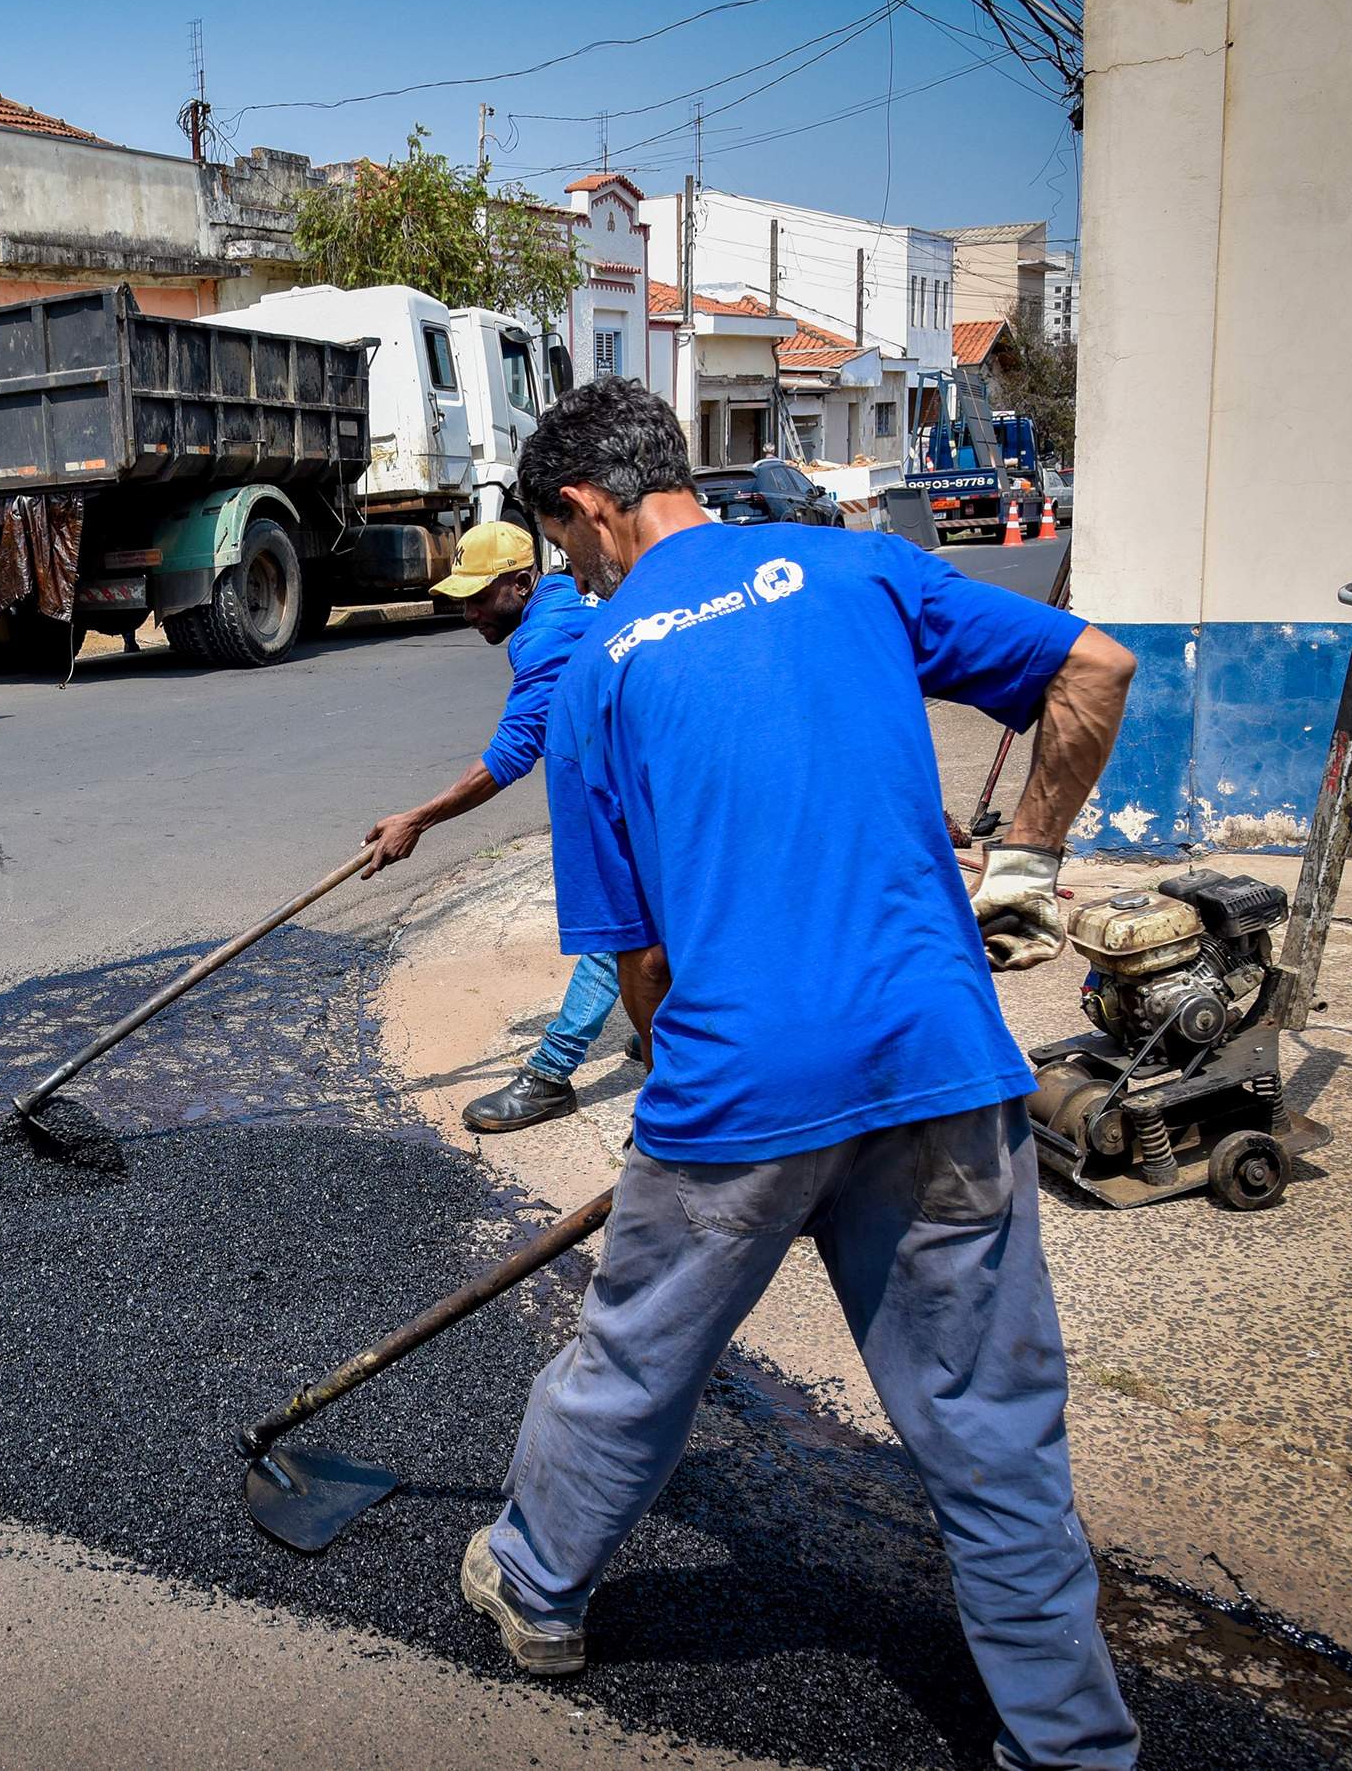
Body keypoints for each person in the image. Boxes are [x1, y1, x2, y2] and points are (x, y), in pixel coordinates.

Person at [461, 379, 1141, 1771]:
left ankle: (533, 1590)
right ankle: (1069, 1750)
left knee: (630, 1365)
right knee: (987, 1422)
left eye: (564, 542)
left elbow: (634, 959)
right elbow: (1096, 668)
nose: (574, 568)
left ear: (588, 509)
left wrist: (679, 1108)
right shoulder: (858, 567)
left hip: (737, 1092)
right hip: (939, 1063)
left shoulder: (593, 672)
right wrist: (1027, 858)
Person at [361, 521, 633, 1132]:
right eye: (463, 599)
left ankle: (552, 1073)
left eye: (481, 598)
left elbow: (511, 754)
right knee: (655, 918)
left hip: (636, 789)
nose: (469, 613)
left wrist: (419, 820)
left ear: (521, 582)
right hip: (640, 775)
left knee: (615, 925)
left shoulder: (546, 638)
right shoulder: (568, 598)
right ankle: (662, 1031)